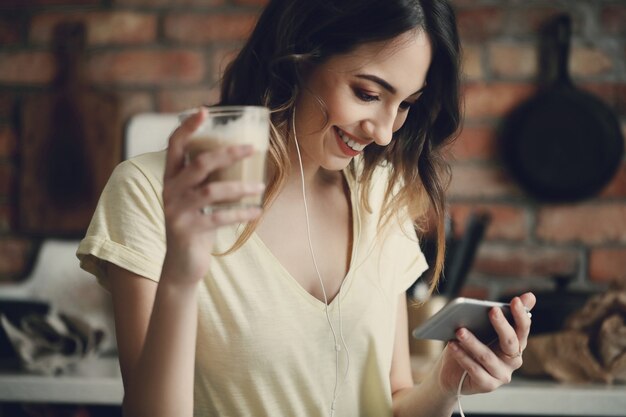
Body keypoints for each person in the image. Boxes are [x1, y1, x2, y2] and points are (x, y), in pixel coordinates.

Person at [77, 0, 535, 416]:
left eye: (405, 105)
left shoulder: (380, 192)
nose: (383, 133)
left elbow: (392, 399)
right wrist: (181, 272)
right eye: (369, 94)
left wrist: (445, 382)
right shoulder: (150, 192)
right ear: (300, 55)